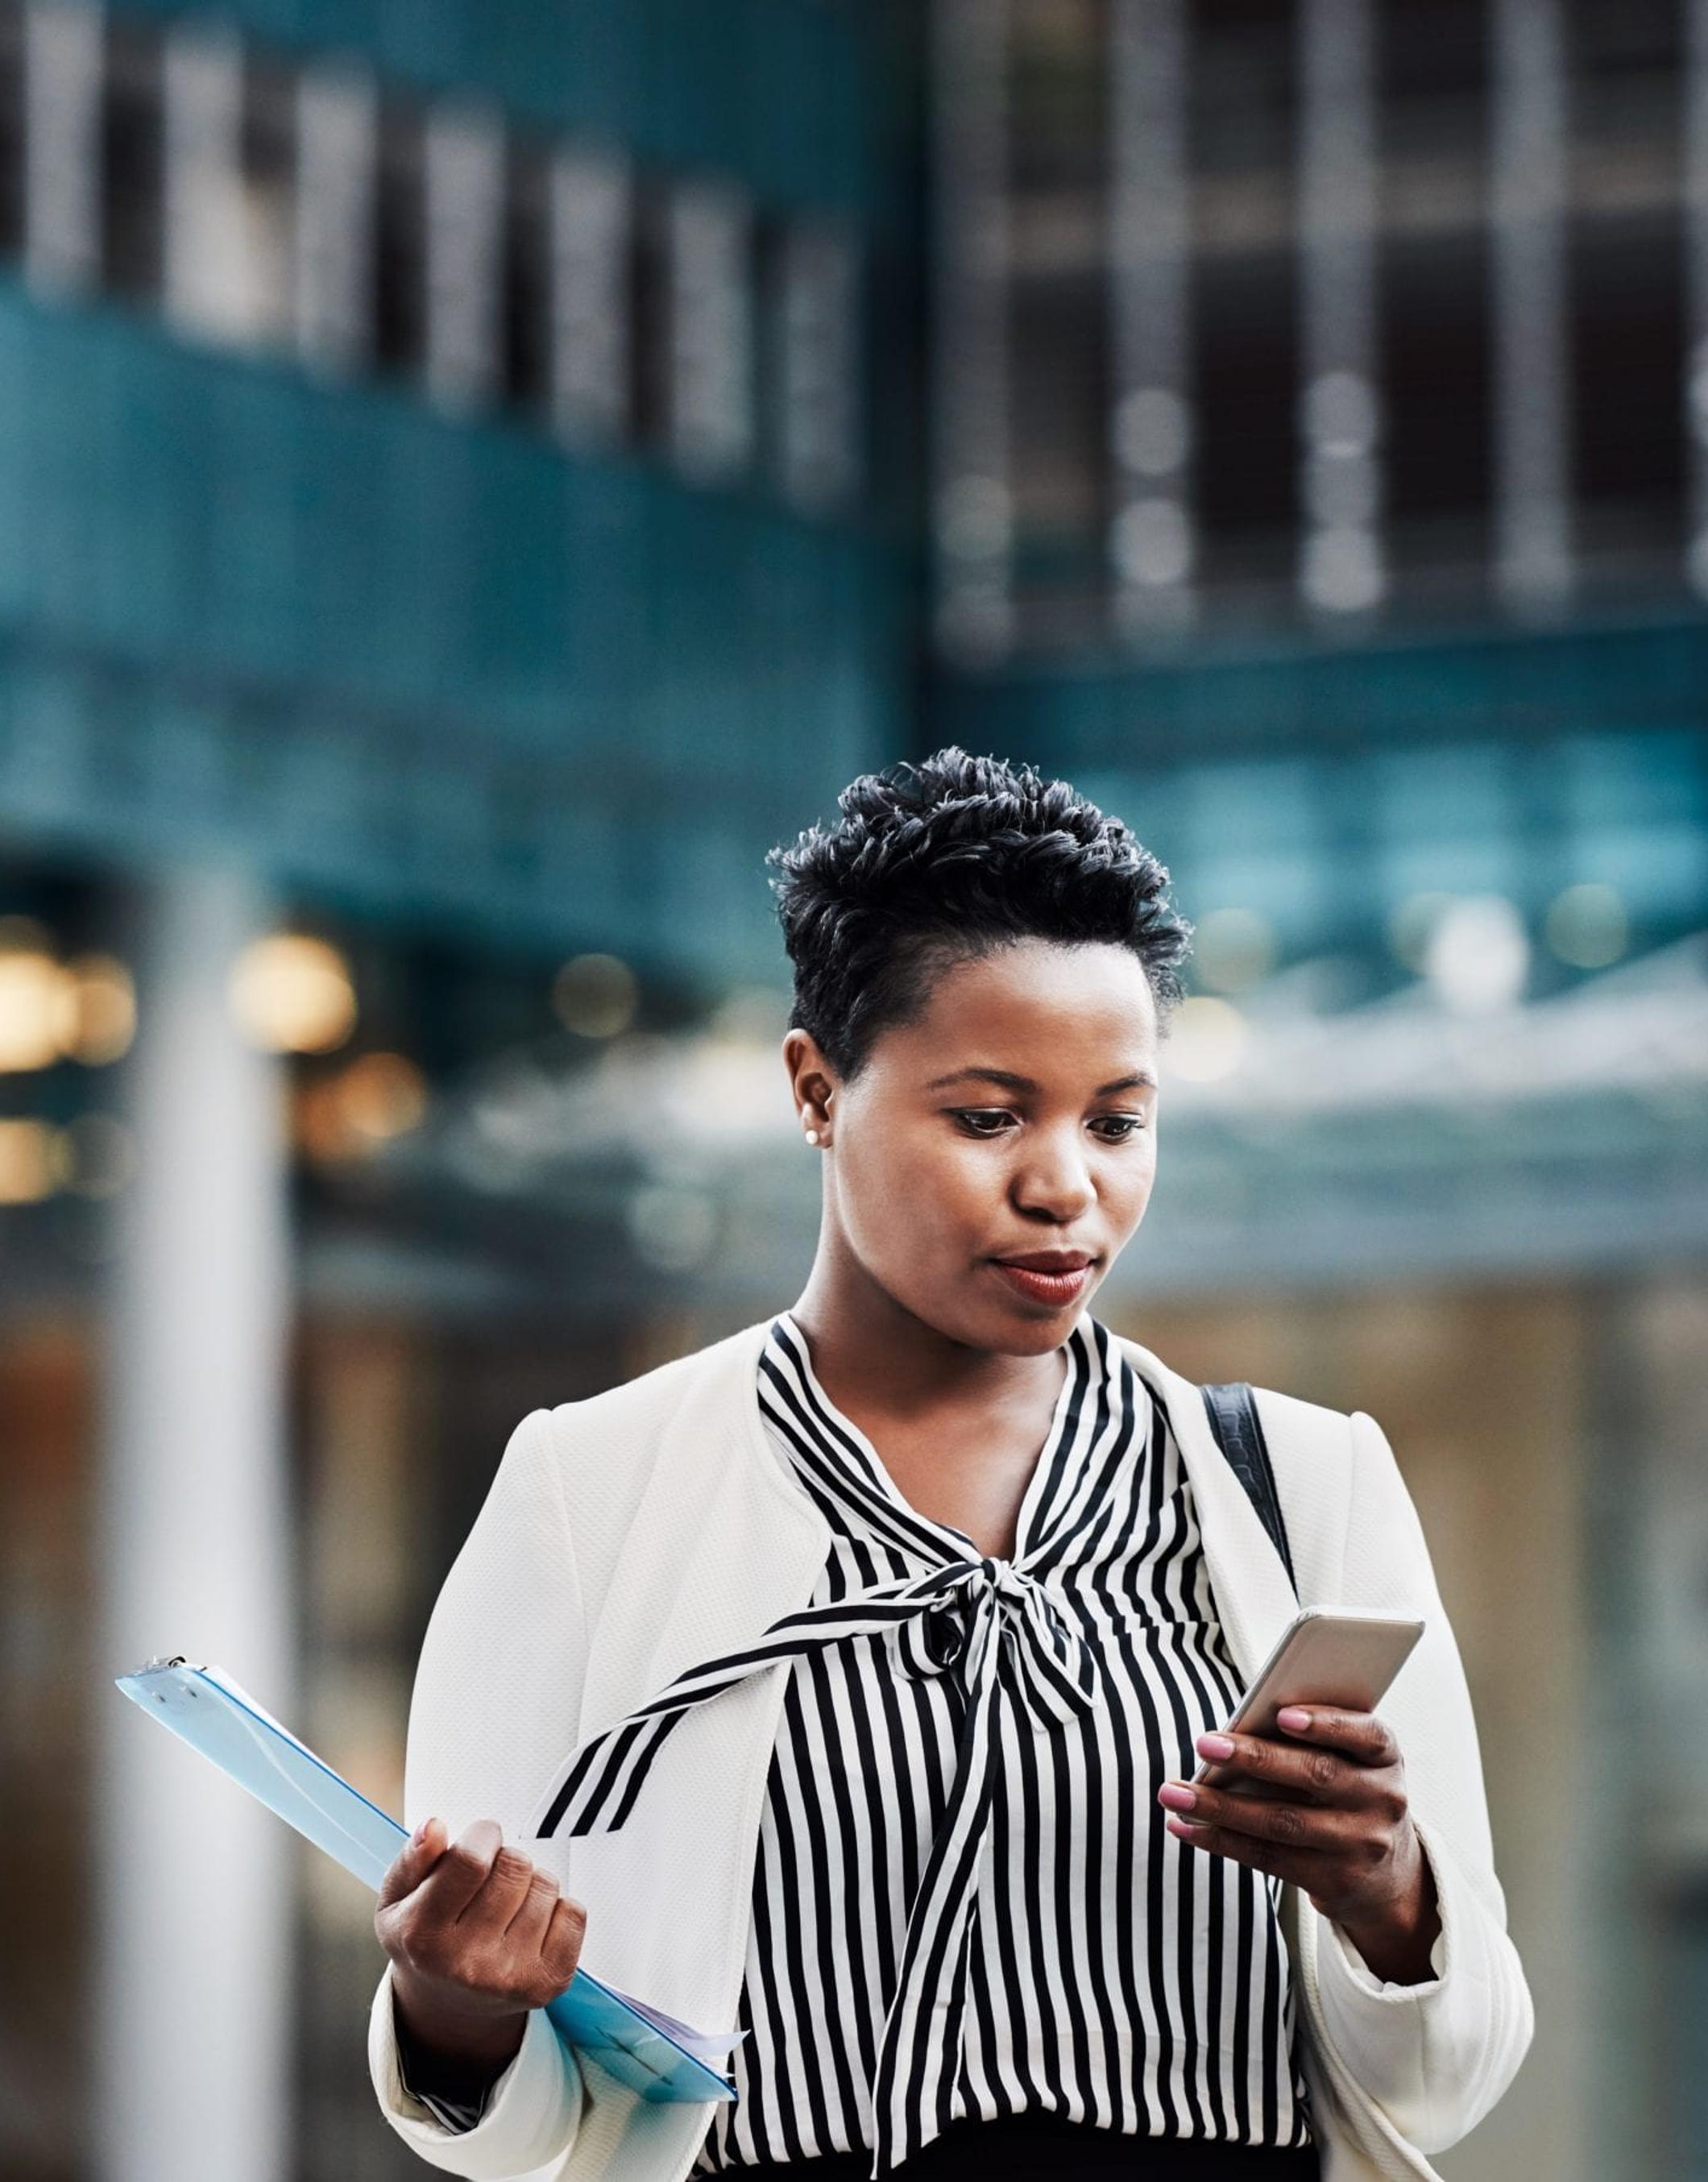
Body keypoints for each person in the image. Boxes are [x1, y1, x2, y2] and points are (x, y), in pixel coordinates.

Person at [366, 752, 1532, 2182]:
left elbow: (1450, 2080)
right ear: (816, 1087)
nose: (1066, 1185)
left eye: (1117, 1119)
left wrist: (1386, 1893)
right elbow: (532, 2118)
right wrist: (452, 2008)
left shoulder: (1304, 1486)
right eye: (988, 1117)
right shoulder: (585, 1493)